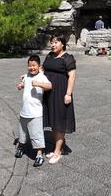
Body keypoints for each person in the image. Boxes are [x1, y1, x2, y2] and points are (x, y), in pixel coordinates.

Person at [42, 34, 76, 164]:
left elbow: (72, 77)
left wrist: (68, 94)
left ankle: (57, 152)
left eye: (56, 42)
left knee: (59, 122)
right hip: (48, 93)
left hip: (61, 93)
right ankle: (58, 148)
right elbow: (42, 69)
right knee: (53, 120)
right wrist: (28, 76)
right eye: (51, 42)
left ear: (62, 44)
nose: (53, 45)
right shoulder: (50, 56)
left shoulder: (68, 58)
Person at [15, 55, 52, 167]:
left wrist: (38, 84)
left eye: (34, 65)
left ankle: (39, 155)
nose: (31, 68)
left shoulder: (41, 77)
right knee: (23, 132)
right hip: (24, 111)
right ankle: (21, 147)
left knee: (37, 134)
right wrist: (21, 85)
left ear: (39, 66)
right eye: (29, 65)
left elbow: (49, 86)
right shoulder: (26, 75)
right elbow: (24, 83)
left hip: (36, 113)